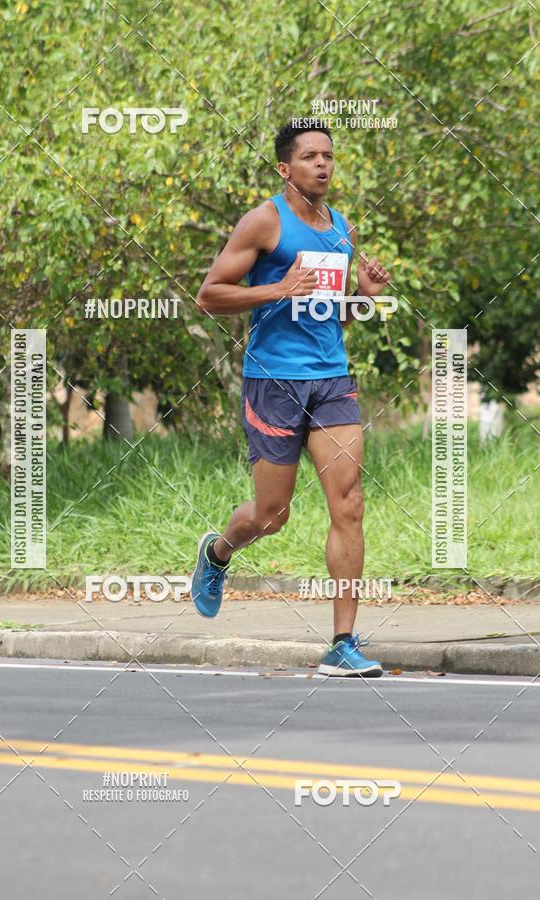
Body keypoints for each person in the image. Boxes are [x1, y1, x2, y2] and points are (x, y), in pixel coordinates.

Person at [190, 119, 390, 677]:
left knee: (349, 504)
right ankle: (218, 551)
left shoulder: (340, 227)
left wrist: (364, 298)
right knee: (272, 515)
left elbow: (331, 313)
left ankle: (343, 643)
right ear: (286, 168)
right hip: (273, 382)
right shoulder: (264, 221)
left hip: (331, 381)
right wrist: (277, 288)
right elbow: (209, 296)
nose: (323, 164)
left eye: (328, 155)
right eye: (310, 156)